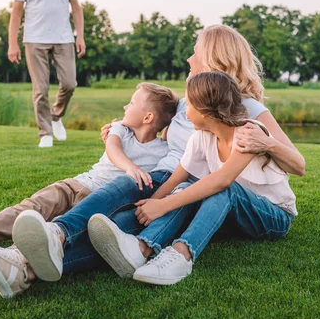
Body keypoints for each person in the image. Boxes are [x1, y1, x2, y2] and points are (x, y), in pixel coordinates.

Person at [0, 24, 305, 298]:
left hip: (226, 199)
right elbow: (159, 123)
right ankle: (33, 258)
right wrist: (123, 130)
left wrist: (269, 142)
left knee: (174, 200)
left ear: (215, 58)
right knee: (132, 197)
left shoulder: (249, 115)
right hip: (190, 187)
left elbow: (293, 165)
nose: (189, 58)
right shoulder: (194, 102)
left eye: (196, 52)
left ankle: (149, 250)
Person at [0, 83, 179, 273]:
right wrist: (131, 168)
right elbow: (113, 150)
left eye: (132, 103)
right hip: (78, 184)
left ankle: (9, 260)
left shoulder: (164, 151)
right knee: (31, 208)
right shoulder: (119, 129)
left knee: (55, 228)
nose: (126, 106)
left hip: (97, 201)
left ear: (148, 118)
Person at [89, 71, 297, 285]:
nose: (185, 113)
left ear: (205, 111)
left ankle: (182, 254)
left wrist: (163, 205)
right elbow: (176, 179)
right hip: (234, 215)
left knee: (220, 188)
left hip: (273, 215)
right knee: (187, 188)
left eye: (189, 106)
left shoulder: (249, 132)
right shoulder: (200, 138)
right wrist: (148, 207)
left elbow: (223, 180)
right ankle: (141, 248)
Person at [8, 0, 85, 148]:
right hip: (34, 39)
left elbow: (76, 8)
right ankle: (45, 133)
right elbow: (16, 12)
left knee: (69, 83)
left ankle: (56, 116)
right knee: (40, 89)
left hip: (63, 37)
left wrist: (80, 35)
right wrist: (12, 43)